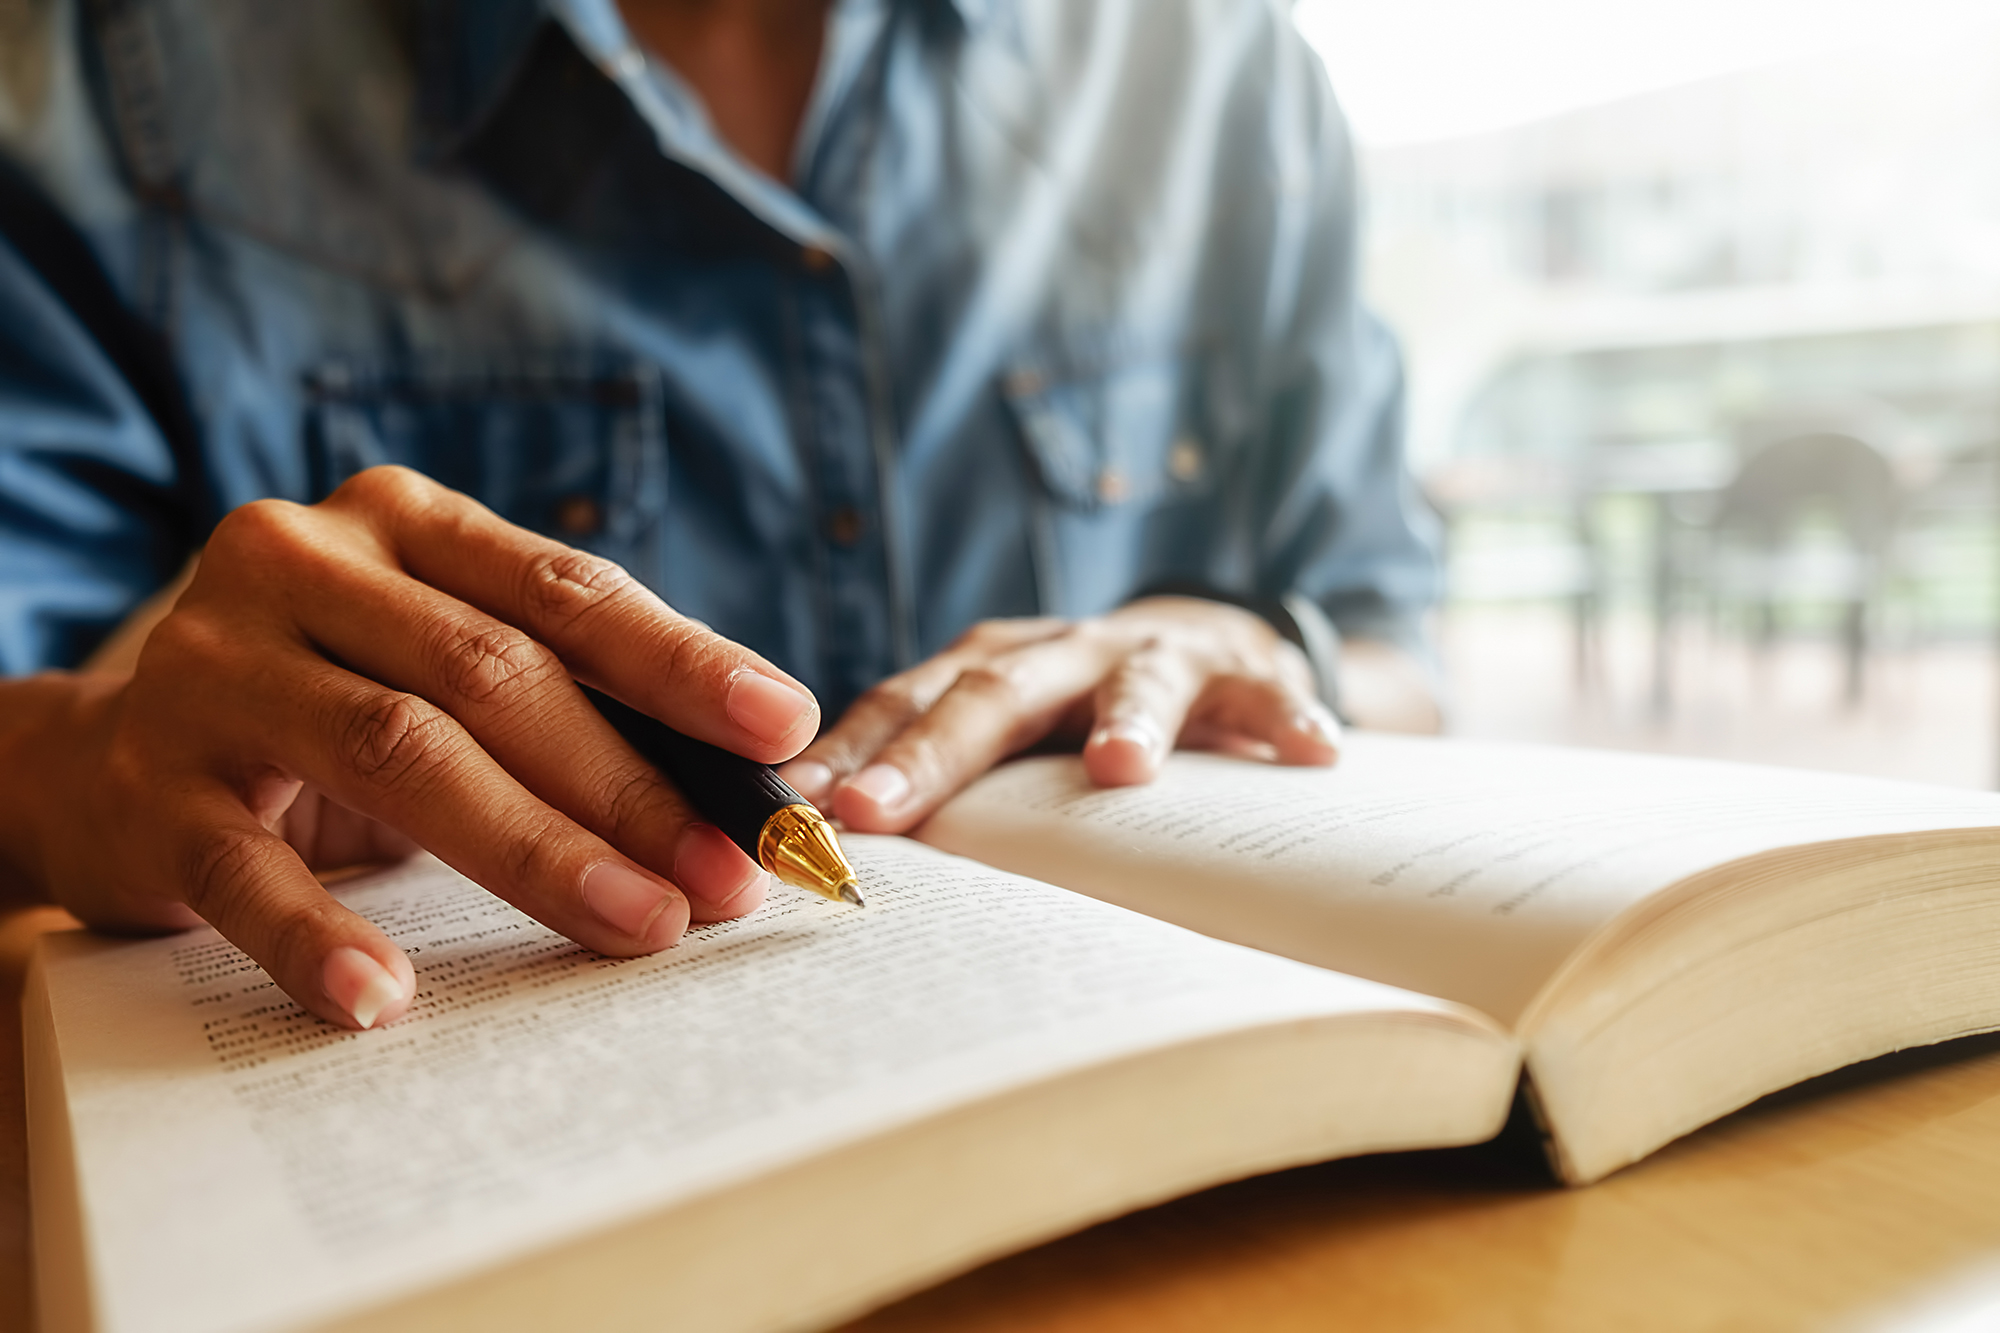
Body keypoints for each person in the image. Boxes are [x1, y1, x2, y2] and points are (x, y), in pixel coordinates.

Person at [0, 0, 1442, 1031]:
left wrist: (1250, 641)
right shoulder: (105, 82)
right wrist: (88, 767)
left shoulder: (1210, 59)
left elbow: (1390, 643)